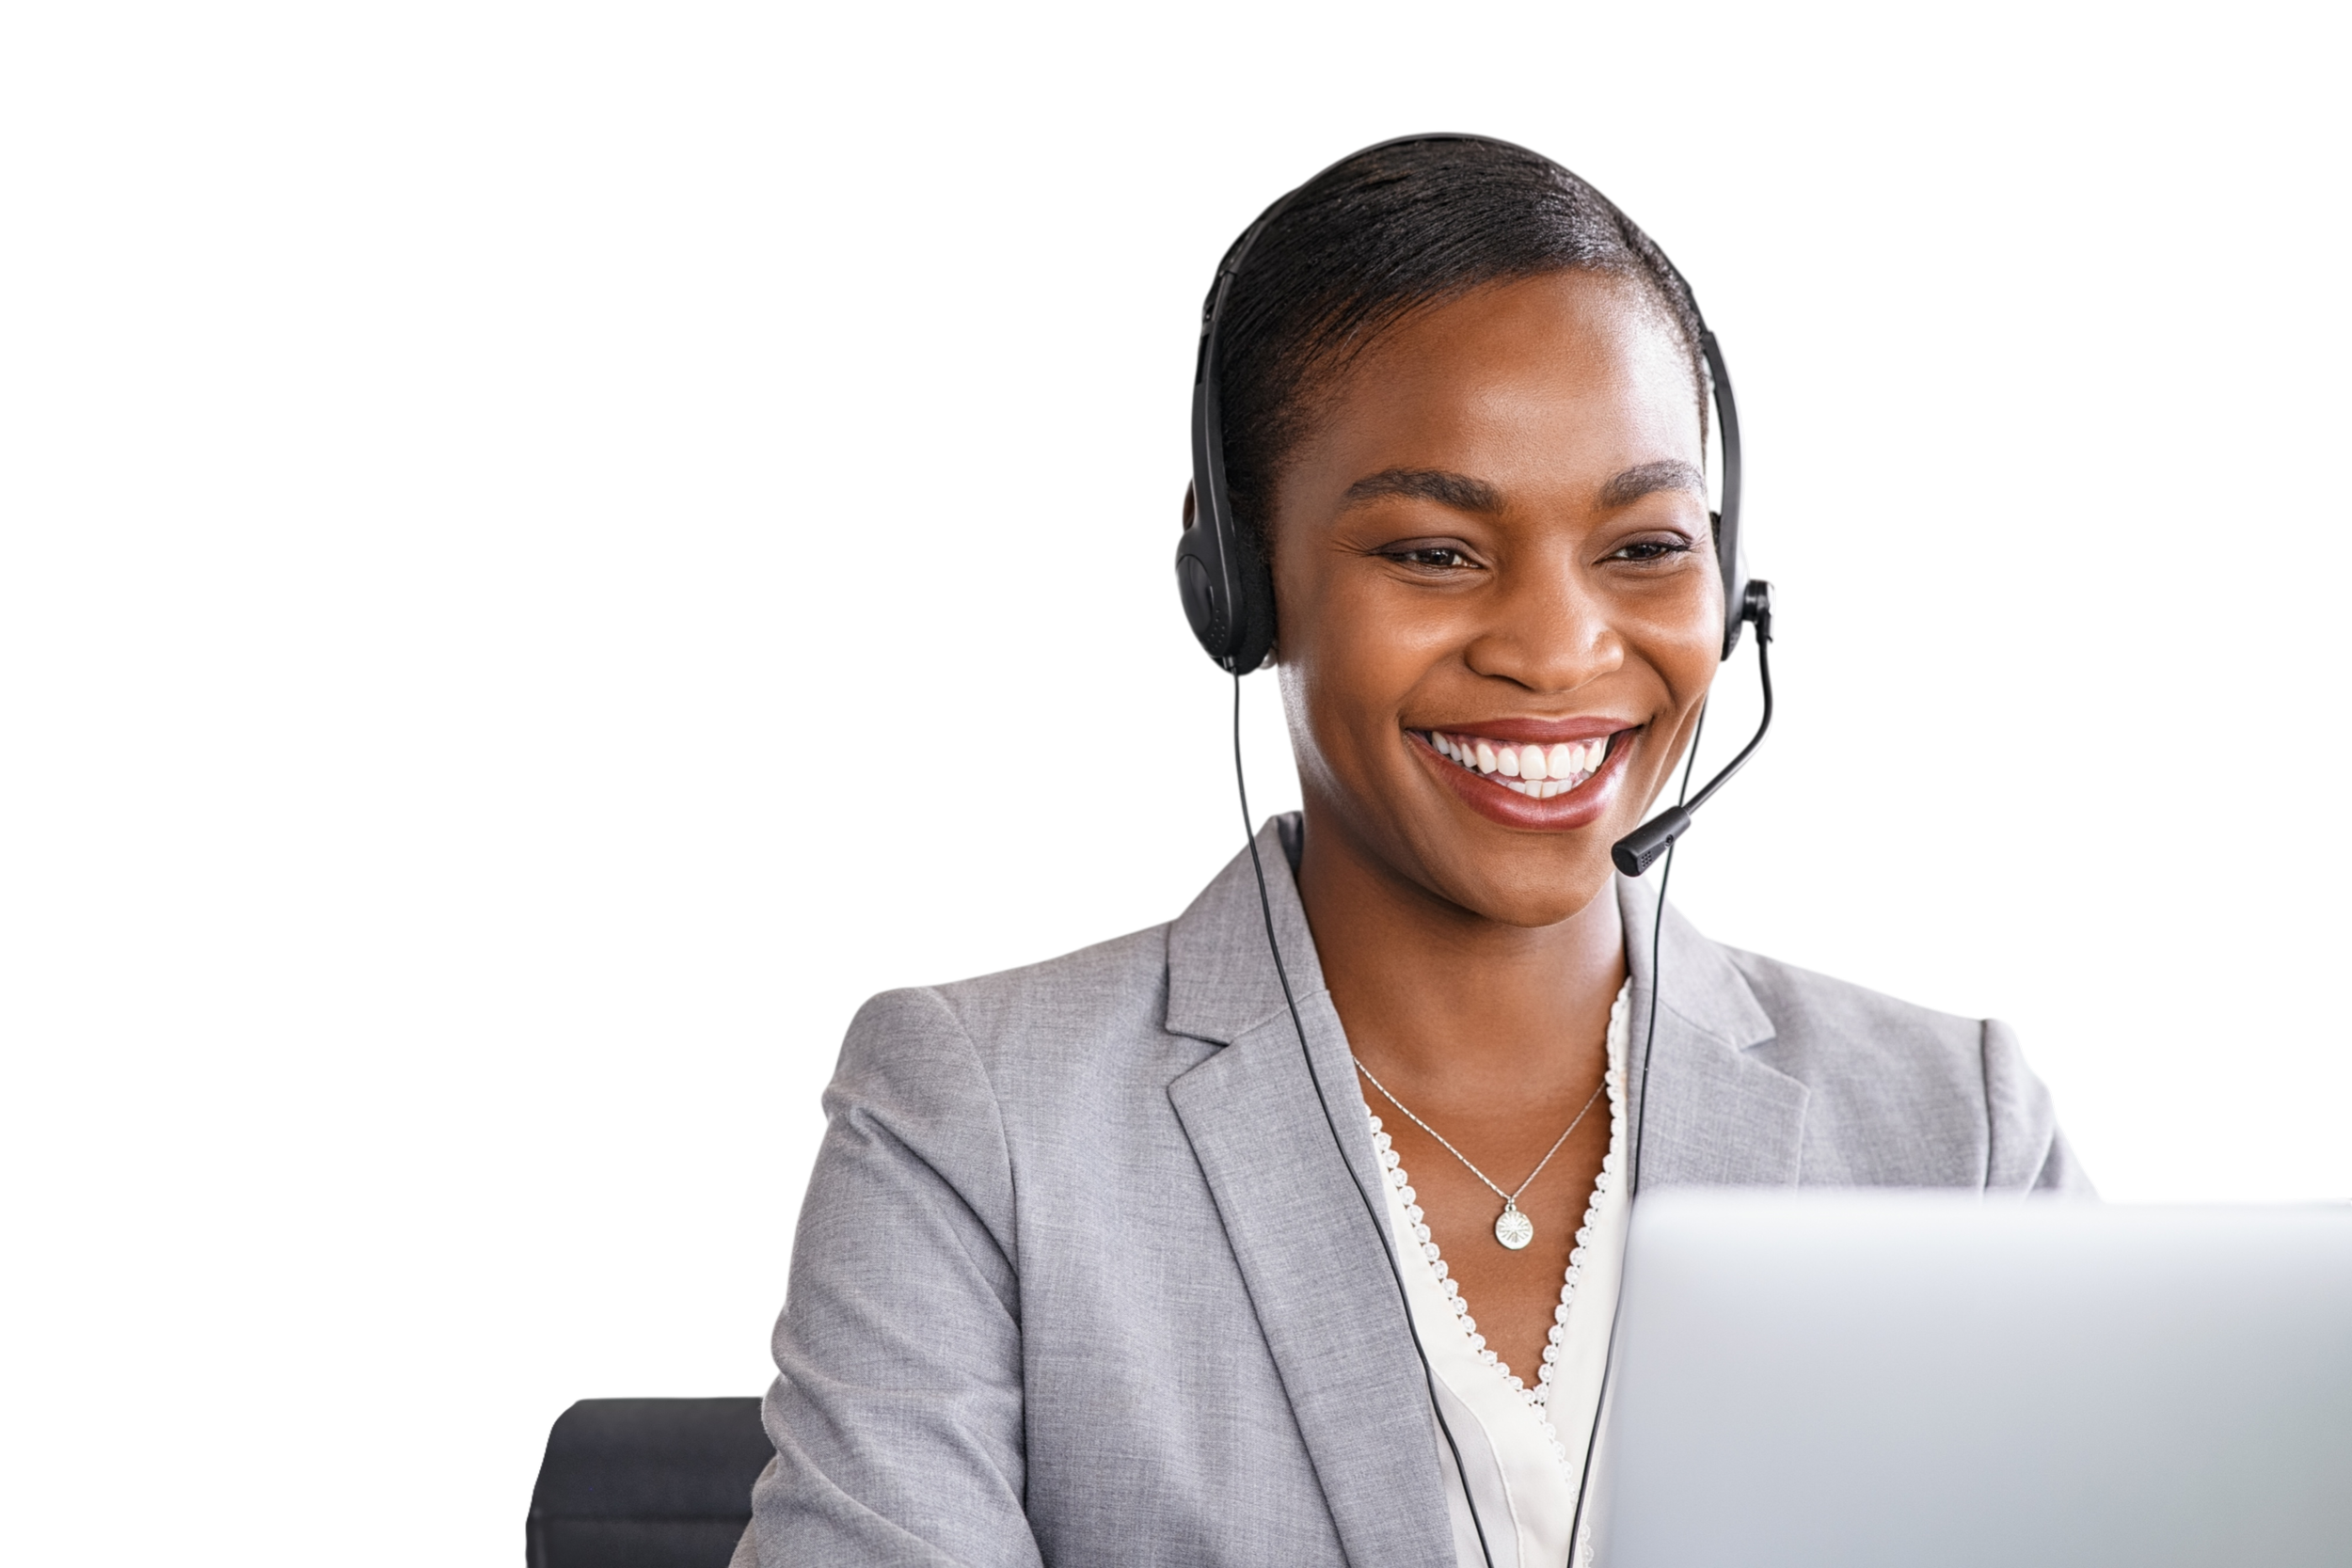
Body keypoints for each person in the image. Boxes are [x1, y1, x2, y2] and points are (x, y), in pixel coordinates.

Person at [732, 135, 2096, 1568]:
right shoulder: (980, 1120)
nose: (1559, 650)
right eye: (1437, 551)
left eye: (1643, 547)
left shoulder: (1956, 1129)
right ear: (1241, 583)